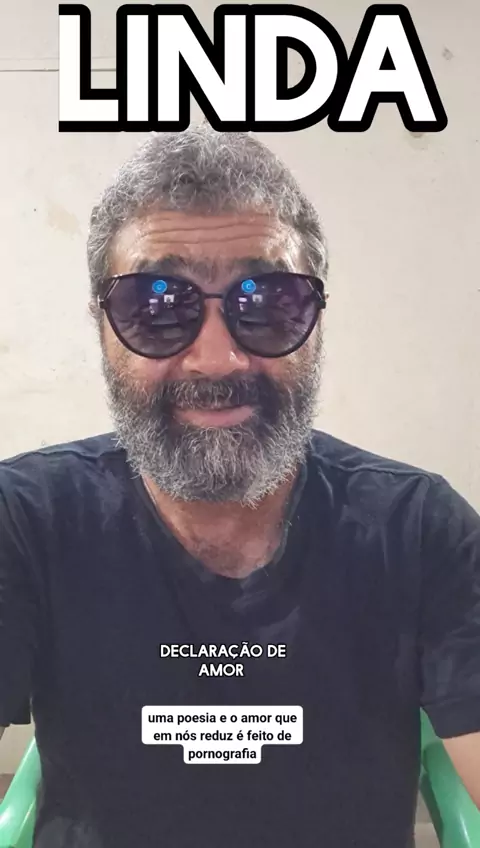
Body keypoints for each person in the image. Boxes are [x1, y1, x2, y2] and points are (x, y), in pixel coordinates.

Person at [0, 126, 479, 848]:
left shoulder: (418, 527)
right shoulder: (24, 520)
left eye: (267, 302)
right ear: (101, 326)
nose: (217, 358)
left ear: (318, 321)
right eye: (158, 305)